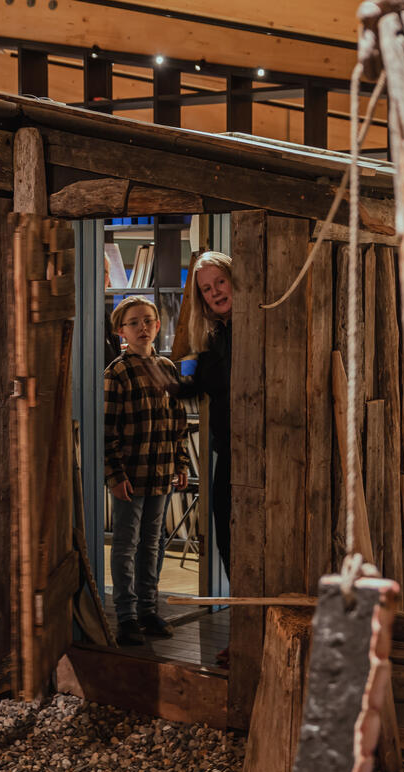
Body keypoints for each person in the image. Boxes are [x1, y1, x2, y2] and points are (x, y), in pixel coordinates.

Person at [104, 296, 191, 647]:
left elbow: (178, 422)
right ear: (121, 330)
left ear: (157, 325)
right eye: (134, 322)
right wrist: (115, 475)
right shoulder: (117, 372)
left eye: (149, 321)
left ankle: (148, 609)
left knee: (152, 543)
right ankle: (126, 617)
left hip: (162, 472)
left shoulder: (168, 368)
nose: (143, 327)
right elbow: (108, 429)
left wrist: (181, 463)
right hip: (131, 474)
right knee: (126, 544)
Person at [167, 251, 233, 664]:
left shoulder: (257, 325)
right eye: (206, 290)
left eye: (219, 283)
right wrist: (167, 376)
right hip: (229, 451)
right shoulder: (214, 339)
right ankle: (245, 635)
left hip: (264, 450)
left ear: (234, 279)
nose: (214, 293)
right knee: (229, 542)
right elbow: (192, 387)